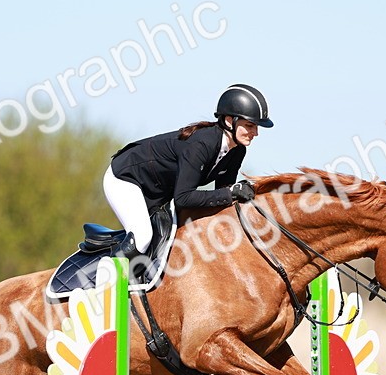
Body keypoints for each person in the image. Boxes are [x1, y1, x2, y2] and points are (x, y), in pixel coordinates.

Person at [104, 84, 273, 272]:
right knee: (143, 236)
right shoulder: (201, 144)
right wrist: (230, 192)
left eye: (256, 127)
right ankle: (103, 287)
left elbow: (224, 193)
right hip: (126, 179)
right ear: (228, 121)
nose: (255, 133)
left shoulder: (237, 150)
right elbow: (183, 198)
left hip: (158, 190)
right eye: (250, 125)